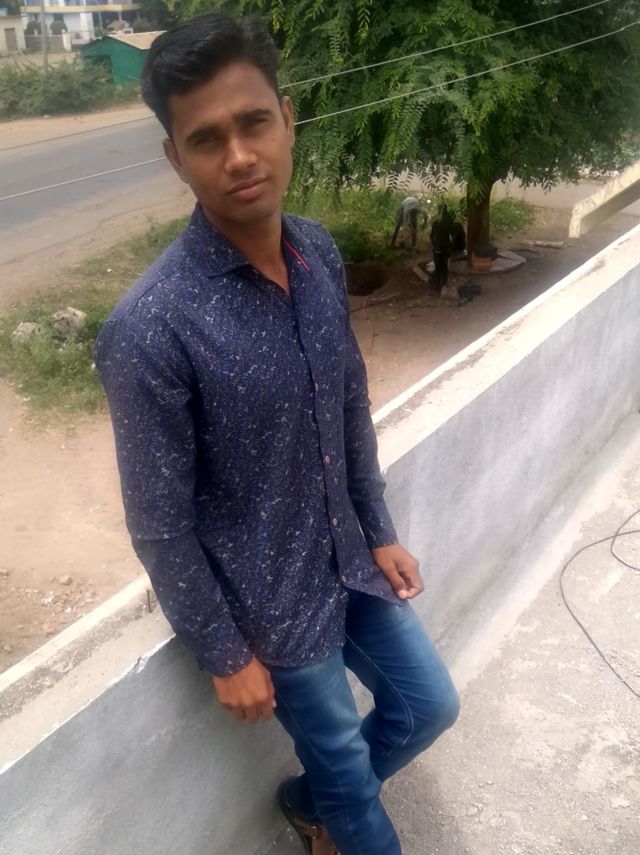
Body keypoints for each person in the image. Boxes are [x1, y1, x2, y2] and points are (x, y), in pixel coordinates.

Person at [94, 13, 459, 855]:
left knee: (429, 705)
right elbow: (159, 521)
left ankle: (303, 801)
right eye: (206, 139)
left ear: (288, 120)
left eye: (253, 122)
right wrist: (223, 651)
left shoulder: (318, 253)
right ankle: (332, 811)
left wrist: (379, 528)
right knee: (354, 789)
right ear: (176, 159)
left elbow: (346, 403)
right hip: (272, 610)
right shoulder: (151, 329)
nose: (239, 156)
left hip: (351, 563)